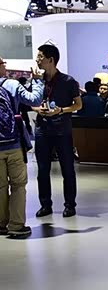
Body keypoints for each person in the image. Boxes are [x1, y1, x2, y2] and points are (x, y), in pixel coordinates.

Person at [32, 44, 82, 218]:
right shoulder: (37, 81)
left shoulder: (68, 81)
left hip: (62, 130)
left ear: (51, 59)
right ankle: (45, 205)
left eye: (40, 56)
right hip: (42, 129)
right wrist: (38, 109)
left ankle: (70, 205)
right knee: (42, 170)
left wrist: (60, 110)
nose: (37, 60)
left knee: (67, 169)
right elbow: (30, 102)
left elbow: (78, 105)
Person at [0, 57, 44, 238]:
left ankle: (1, 223)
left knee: (0, 186)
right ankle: (16, 226)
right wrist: (38, 81)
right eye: (3, 64)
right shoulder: (11, 84)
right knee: (18, 185)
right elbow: (35, 99)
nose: (5, 66)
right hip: (13, 143)